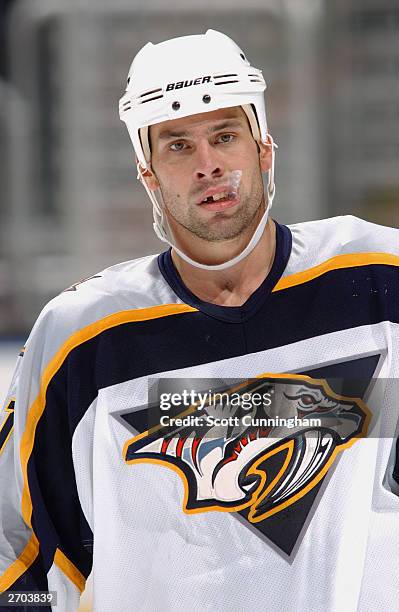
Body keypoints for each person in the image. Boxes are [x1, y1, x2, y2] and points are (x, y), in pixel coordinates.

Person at [0, 29, 399, 612]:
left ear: (263, 149)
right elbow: (20, 548)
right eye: (179, 145)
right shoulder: (82, 338)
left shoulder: (378, 281)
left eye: (225, 136)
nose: (209, 165)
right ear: (149, 174)